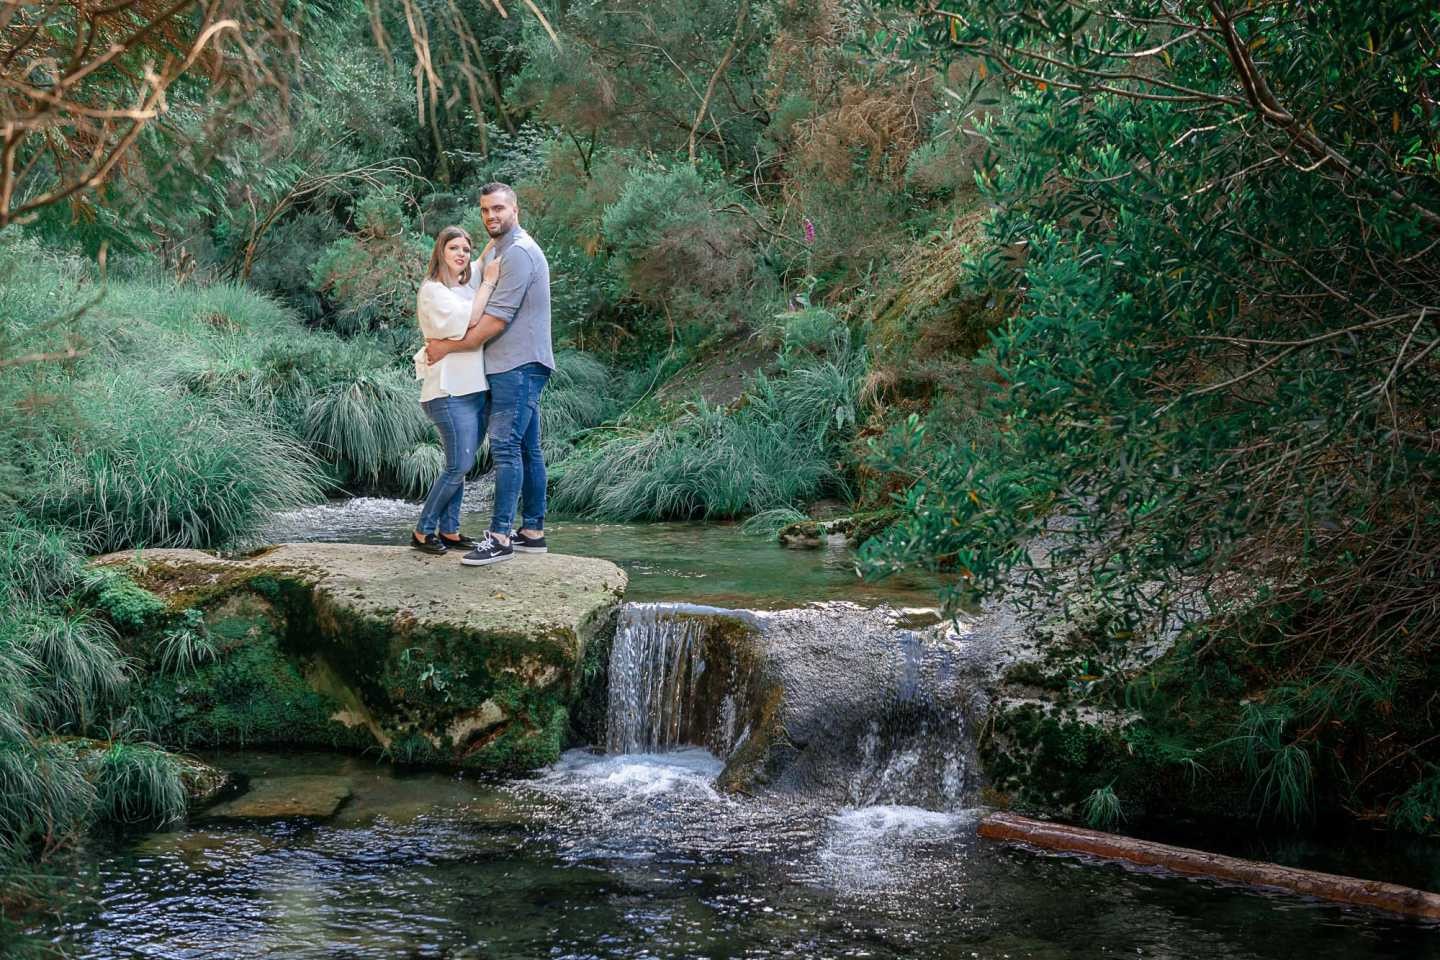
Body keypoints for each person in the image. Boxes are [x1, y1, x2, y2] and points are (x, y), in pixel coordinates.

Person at [425, 182, 554, 566]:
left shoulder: (518, 254)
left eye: (498, 208)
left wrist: (446, 347)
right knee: (528, 449)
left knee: (505, 447)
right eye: (484, 210)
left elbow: (496, 321)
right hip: (514, 364)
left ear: (515, 209)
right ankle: (532, 532)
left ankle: (500, 538)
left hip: (518, 365)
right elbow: (479, 266)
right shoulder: (501, 249)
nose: (490, 216)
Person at [410, 225, 501, 555]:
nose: (461, 254)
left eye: (465, 248)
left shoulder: (464, 285)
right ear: (441, 252)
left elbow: (483, 259)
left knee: (459, 464)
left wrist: (502, 230)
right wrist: (489, 282)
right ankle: (423, 531)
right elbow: (472, 318)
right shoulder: (433, 291)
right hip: (447, 392)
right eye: (454, 248)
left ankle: (449, 530)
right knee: (458, 466)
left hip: (474, 391)